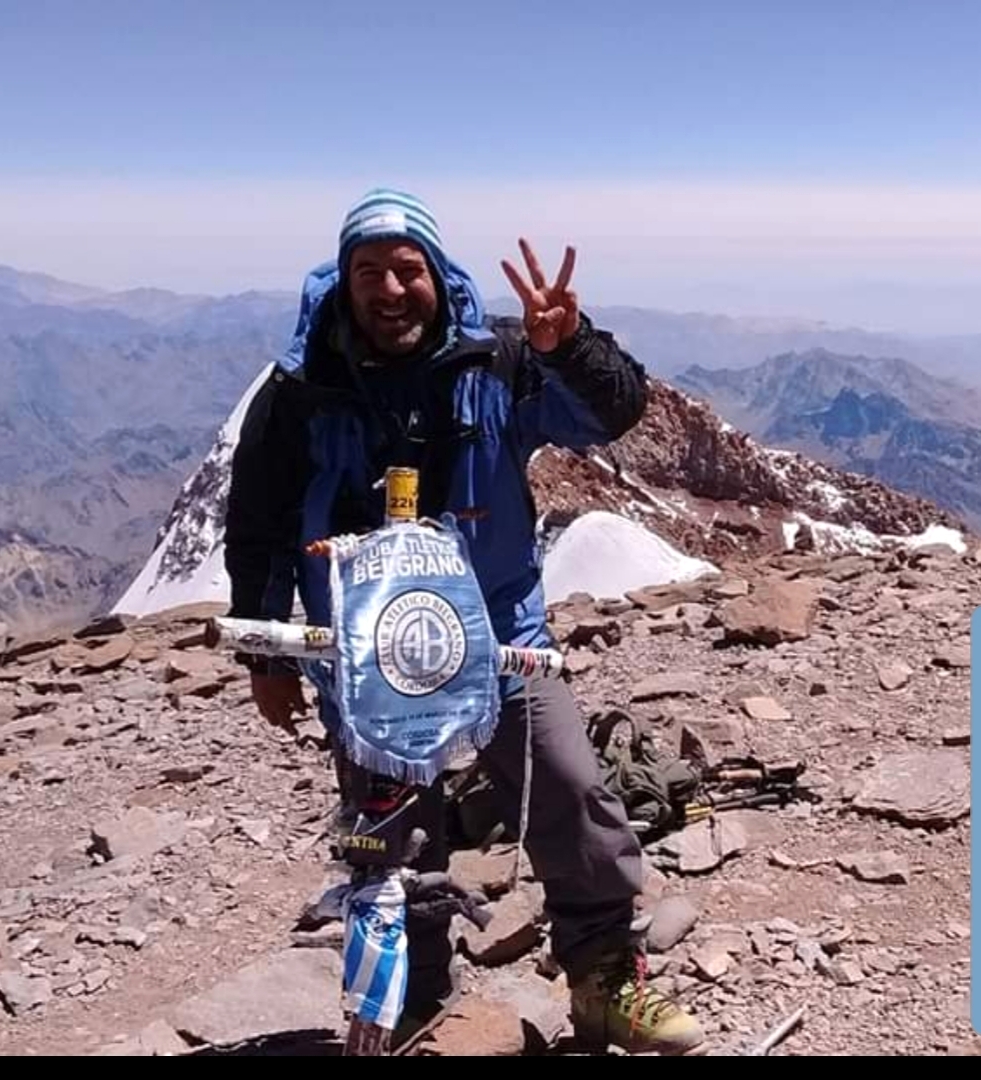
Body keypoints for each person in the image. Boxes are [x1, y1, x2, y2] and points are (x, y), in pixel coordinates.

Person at [222, 188, 705, 1056]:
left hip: (502, 634)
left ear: (439, 278)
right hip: (371, 656)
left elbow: (616, 412)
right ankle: (419, 1007)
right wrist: (265, 650)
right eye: (368, 271)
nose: (389, 289)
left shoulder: (501, 364)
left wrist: (573, 346)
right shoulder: (299, 394)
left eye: (406, 269)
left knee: (568, 788)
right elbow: (256, 523)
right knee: (392, 835)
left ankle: (603, 983)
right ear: (342, 284)